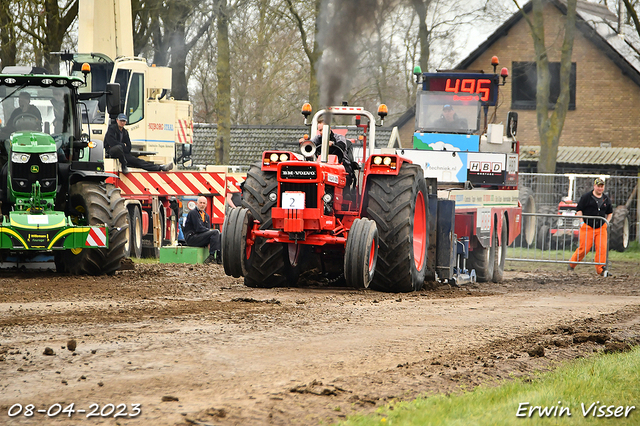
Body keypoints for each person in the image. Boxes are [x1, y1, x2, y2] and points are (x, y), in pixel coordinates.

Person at [568, 178, 613, 276]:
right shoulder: (586, 197)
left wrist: (606, 223)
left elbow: (610, 212)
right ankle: (571, 264)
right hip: (587, 226)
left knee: (602, 248)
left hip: (601, 227)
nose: (600, 188)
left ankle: (601, 269)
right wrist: (581, 223)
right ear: (594, 186)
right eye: (598, 186)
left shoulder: (606, 199)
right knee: (584, 248)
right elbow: (579, 210)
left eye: (602, 186)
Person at [298, 116, 358, 187]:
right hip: (322, 166)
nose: (320, 132)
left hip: (341, 164)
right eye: (319, 130)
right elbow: (310, 145)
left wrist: (333, 144)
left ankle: (345, 194)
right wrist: (304, 143)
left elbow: (342, 145)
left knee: (345, 178)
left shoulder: (339, 137)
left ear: (329, 128)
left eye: (322, 130)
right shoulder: (318, 138)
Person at [104, 113, 173, 174]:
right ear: (117, 120)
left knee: (139, 161)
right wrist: (122, 145)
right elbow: (112, 142)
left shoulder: (125, 132)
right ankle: (124, 164)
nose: (122, 122)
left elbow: (129, 147)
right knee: (118, 148)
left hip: (123, 154)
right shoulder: (111, 129)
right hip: (112, 152)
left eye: (124, 121)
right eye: (121, 120)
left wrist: (122, 147)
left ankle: (160, 168)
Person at [183, 196, 222, 264]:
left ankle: (219, 258)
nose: (202, 205)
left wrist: (210, 234)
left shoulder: (206, 216)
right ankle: (211, 256)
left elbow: (207, 229)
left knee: (220, 235)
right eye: (200, 203)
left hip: (200, 236)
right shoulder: (193, 213)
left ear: (206, 205)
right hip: (192, 237)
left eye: (204, 203)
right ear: (197, 203)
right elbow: (198, 228)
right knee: (215, 232)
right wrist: (210, 232)